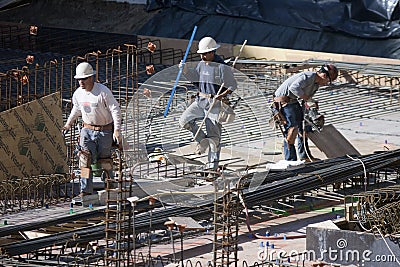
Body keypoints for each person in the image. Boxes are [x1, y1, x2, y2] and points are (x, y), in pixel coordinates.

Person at [179, 36, 237, 176]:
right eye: (201, 54)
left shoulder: (221, 67)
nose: (203, 56)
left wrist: (221, 95)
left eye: (205, 54)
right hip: (200, 101)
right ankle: (201, 140)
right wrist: (186, 71)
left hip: (215, 105)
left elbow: (232, 85)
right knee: (184, 121)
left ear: (212, 52)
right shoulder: (201, 64)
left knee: (214, 138)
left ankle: (212, 168)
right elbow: (197, 81)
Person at [63, 62, 122, 197]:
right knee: (84, 160)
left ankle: (110, 184)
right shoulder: (78, 94)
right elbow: (76, 110)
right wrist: (68, 124)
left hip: (104, 130)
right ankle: (85, 190)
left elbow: (115, 110)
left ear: (91, 78)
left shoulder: (102, 92)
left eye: (83, 79)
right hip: (87, 130)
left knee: (105, 160)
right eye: (79, 80)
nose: (81, 82)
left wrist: (116, 130)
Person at [273, 64, 338, 161]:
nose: (327, 83)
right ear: (324, 76)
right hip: (283, 101)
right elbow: (294, 88)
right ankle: (290, 160)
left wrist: (311, 111)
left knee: (304, 128)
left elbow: (305, 101)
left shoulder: (315, 85)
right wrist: (308, 99)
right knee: (292, 130)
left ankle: (304, 156)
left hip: (293, 101)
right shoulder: (308, 77)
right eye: (328, 81)